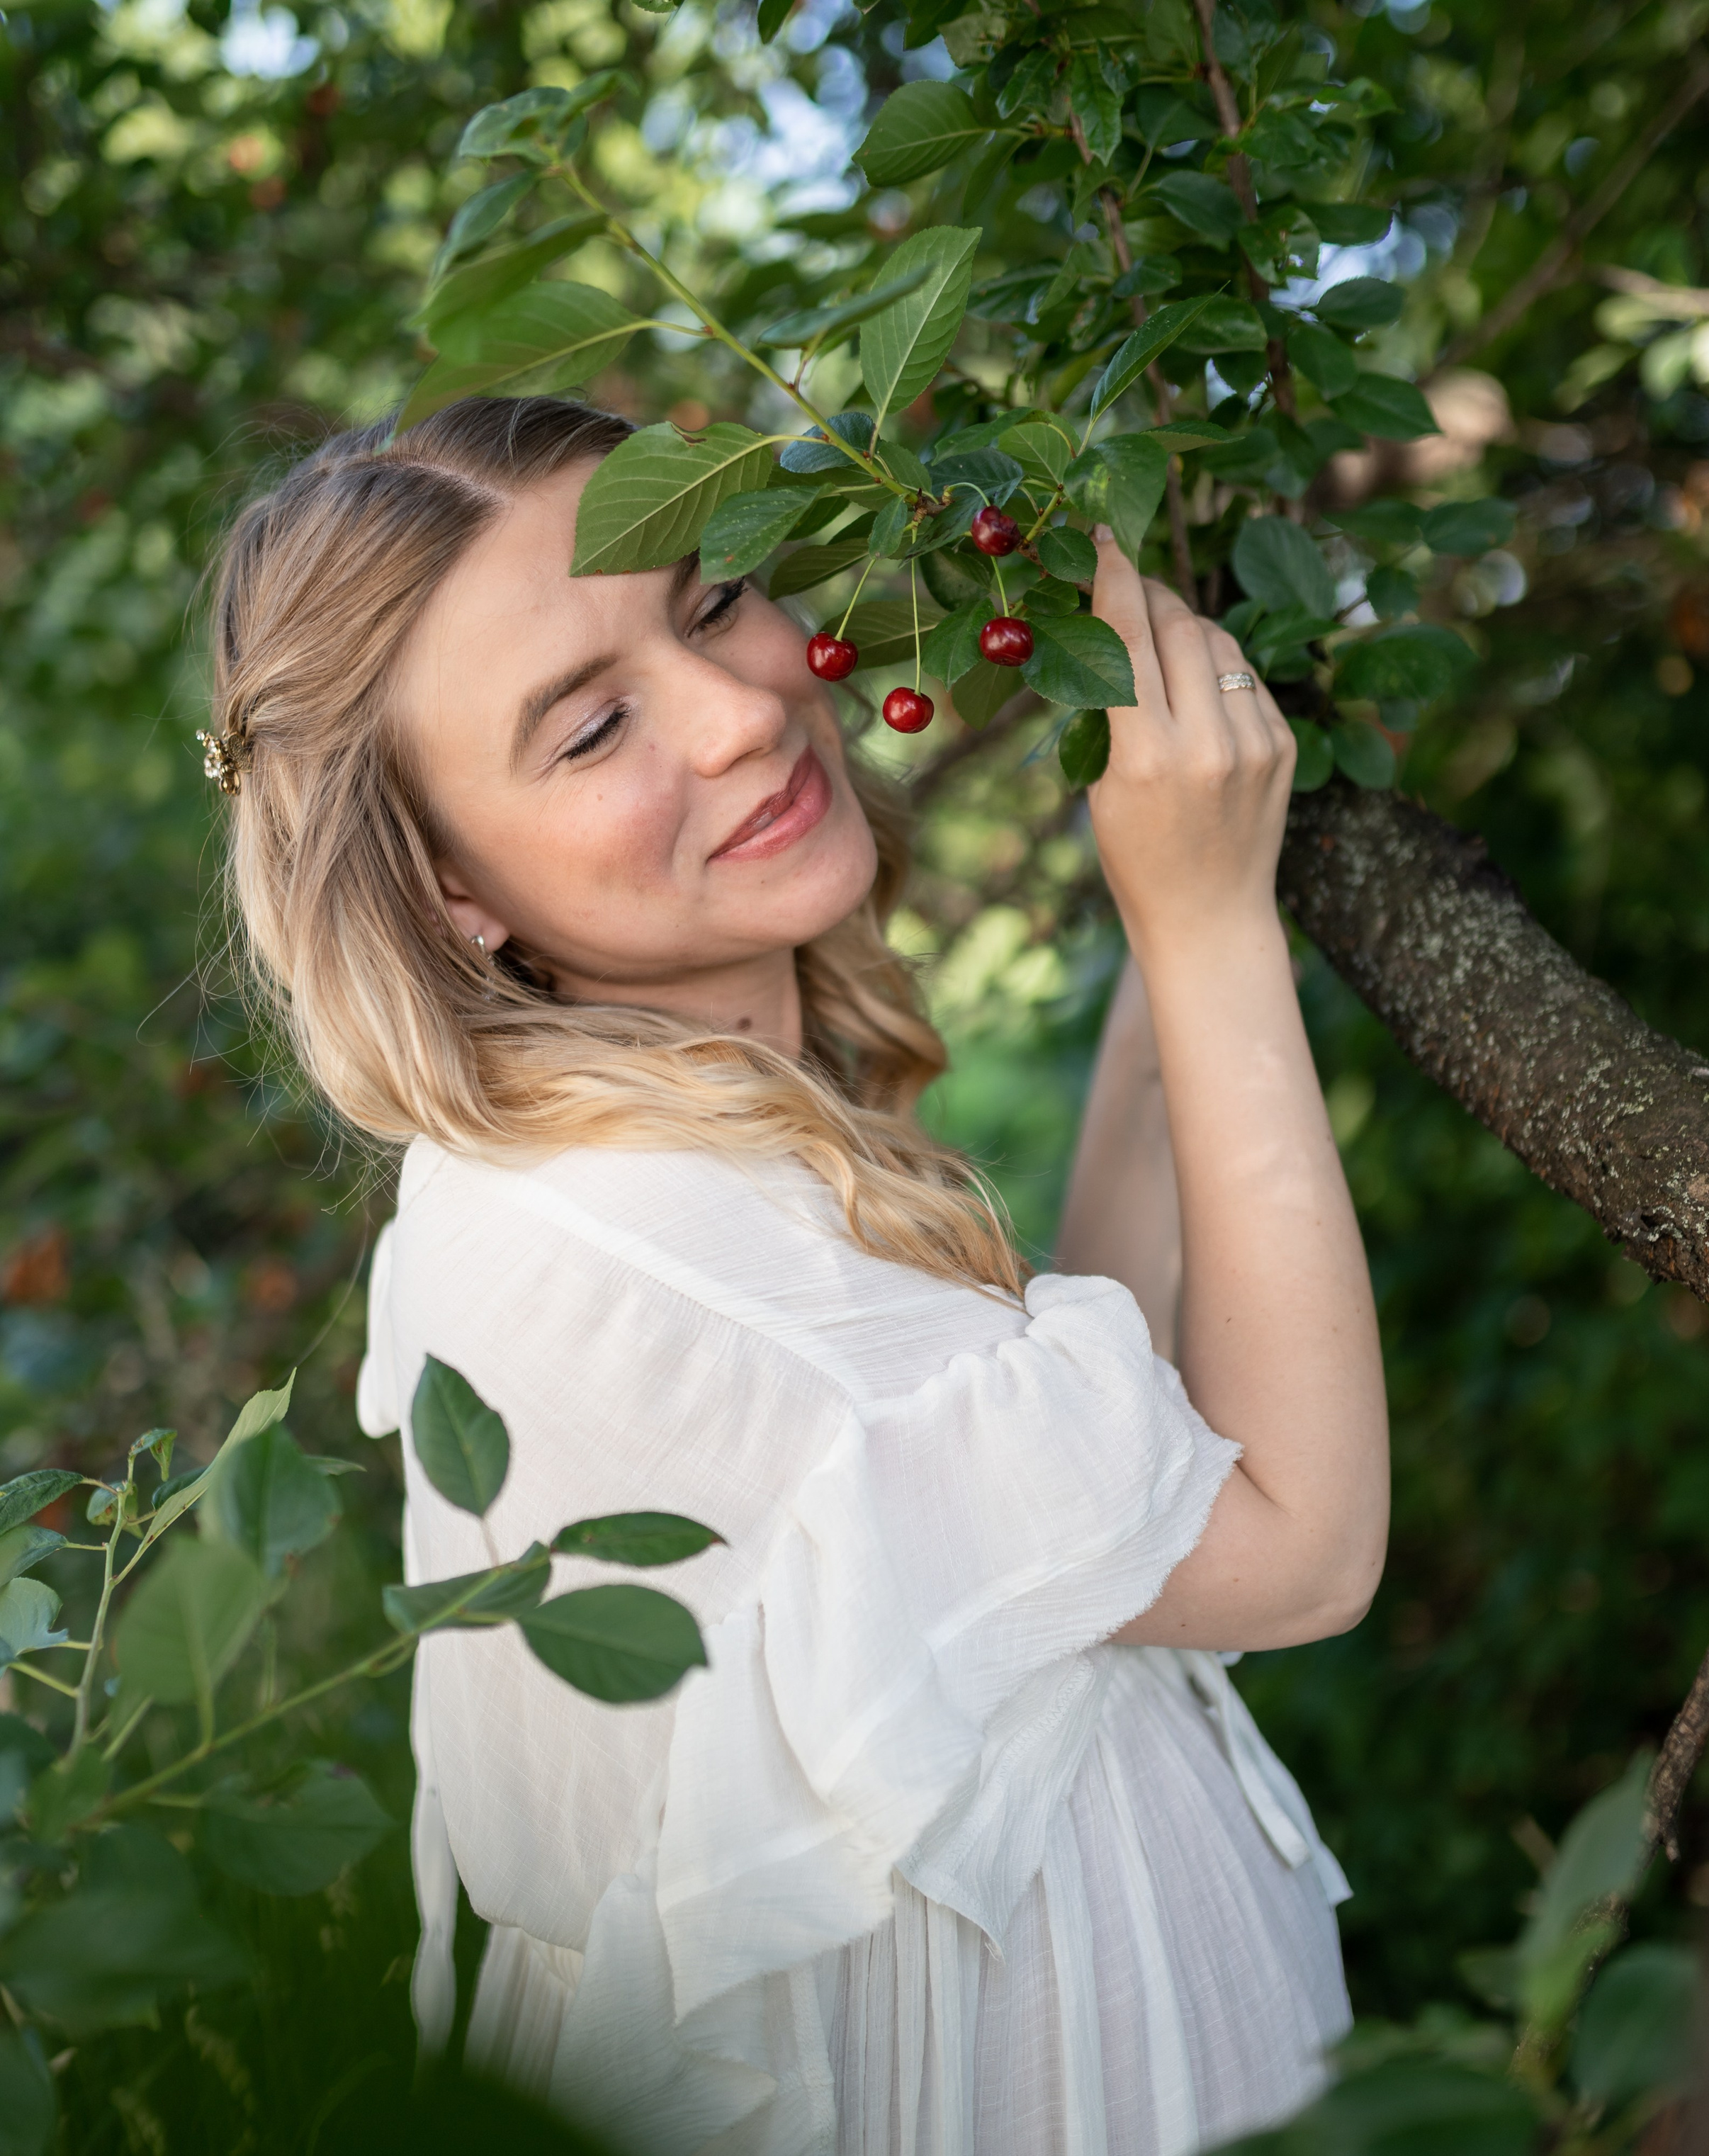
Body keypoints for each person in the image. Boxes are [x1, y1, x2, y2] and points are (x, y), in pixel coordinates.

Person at [210, 395, 1389, 2156]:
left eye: (706, 603)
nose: (746, 707)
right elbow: (1292, 1547)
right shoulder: (634, 1244)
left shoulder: (663, 1134)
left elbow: (1095, 1456)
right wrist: (1210, 924)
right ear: (445, 886)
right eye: (593, 725)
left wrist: (1191, 880)